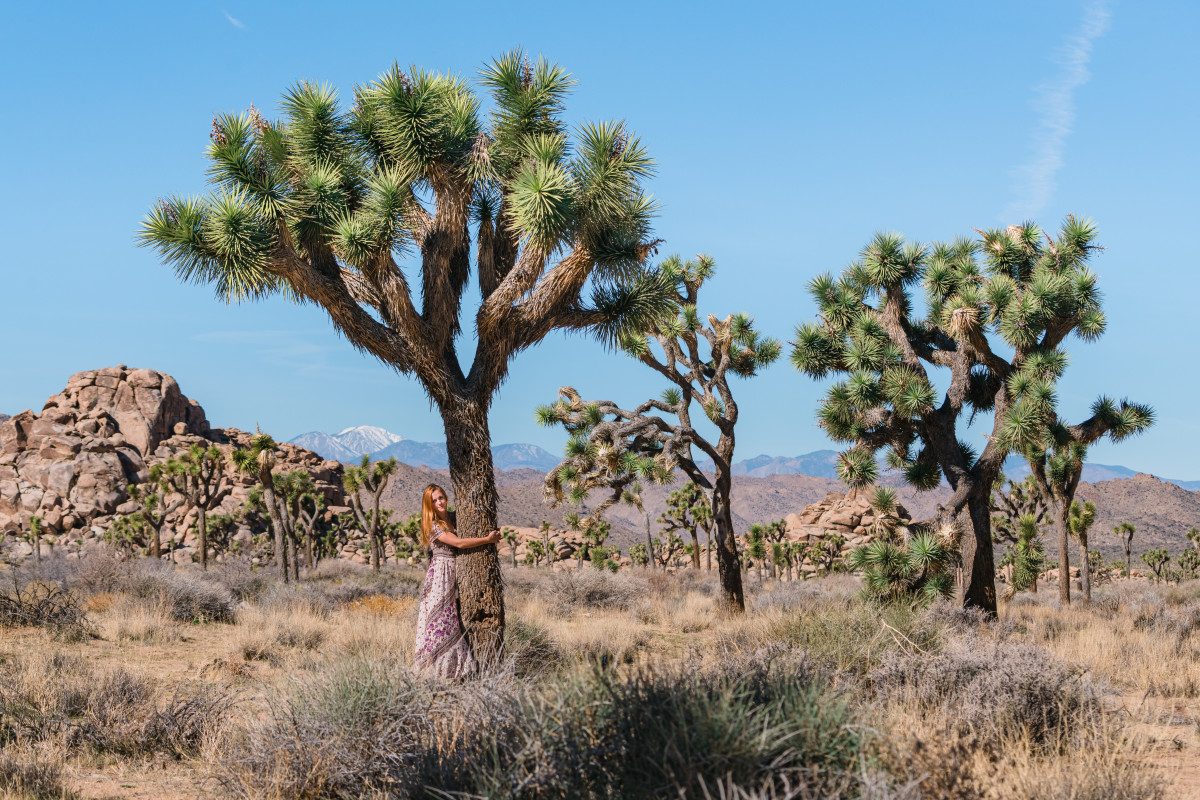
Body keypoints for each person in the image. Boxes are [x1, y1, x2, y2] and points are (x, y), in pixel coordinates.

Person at [412, 483, 500, 678]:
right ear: (429, 505)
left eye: (441, 497)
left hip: (454, 571)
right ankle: (437, 670)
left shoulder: (454, 517)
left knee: (450, 617)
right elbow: (459, 543)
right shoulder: (433, 525)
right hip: (440, 576)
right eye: (434, 501)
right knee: (441, 619)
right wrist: (487, 539)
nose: (439, 502)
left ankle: (451, 668)